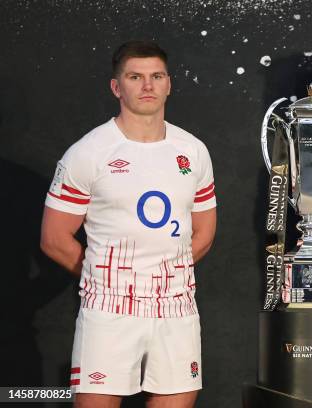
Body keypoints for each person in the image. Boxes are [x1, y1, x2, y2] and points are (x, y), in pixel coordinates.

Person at [40, 40, 217, 407]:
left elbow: (203, 233)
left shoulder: (193, 151)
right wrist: (107, 278)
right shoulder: (88, 153)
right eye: (135, 77)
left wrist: (162, 277)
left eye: (157, 76)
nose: (148, 86)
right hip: (110, 309)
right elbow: (55, 239)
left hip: (176, 308)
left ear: (169, 83)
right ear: (116, 87)